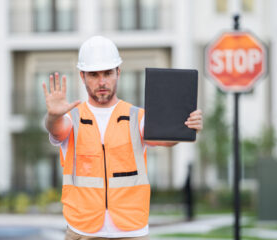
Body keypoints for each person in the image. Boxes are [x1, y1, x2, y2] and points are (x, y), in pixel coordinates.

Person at [42, 36, 203, 240]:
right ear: (82, 76)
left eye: (108, 73)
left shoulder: (138, 117)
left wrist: (186, 125)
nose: (102, 81)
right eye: (93, 74)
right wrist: (53, 115)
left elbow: (166, 138)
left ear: (118, 72)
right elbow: (55, 129)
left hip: (131, 230)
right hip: (83, 230)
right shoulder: (71, 118)